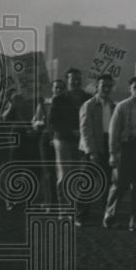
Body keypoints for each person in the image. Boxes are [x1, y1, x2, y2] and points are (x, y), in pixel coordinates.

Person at [104, 76, 136, 231]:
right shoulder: (122, 106)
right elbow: (113, 131)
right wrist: (112, 153)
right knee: (119, 184)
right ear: (130, 89)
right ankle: (110, 216)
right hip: (125, 146)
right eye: (135, 87)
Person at [48, 68, 90, 213]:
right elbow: (53, 122)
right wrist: (71, 131)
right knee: (64, 175)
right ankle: (64, 208)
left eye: (78, 78)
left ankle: (76, 208)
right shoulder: (58, 99)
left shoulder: (88, 98)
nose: (76, 81)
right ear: (68, 80)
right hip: (63, 140)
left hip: (82, 141)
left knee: (78, 175)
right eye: (73, 78)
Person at [78, 74, 116, 227]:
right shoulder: (89, 105)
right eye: (103, 86)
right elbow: (85, 129)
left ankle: (105, 217)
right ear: (97, 87)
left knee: (107, 184)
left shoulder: (114, 106)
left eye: (109, 86)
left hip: (108, 146)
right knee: (87, 183)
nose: (106, 88)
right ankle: (80, 216)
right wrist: (91, 151)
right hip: (92, 147)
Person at [31, 79, 65, 203]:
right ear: (52, 89)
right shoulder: (44, 105)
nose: (58, 90)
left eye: (61, 88)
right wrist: (39, 123)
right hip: (46, 139)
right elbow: (34, 122)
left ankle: (62, 202)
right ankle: (50, 202)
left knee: (62, 172)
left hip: (62, 140)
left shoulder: (67, 105)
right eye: (56, 88)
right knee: (48, 171)